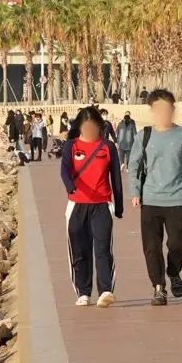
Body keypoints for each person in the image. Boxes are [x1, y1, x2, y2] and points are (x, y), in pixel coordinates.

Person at [127, 89, 182, 307]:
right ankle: (159, 288)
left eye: (168, 108)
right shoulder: (143, 136)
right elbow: (134, 165)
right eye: (159, 109)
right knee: (151, 247)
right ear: (152, 111)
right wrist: (135, 192)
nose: (164, 113)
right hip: (150, 199)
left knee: (178, 244)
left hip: (176, 200)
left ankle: (173, 272)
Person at [61, 106, 124, 308]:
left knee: (103, 248)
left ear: (99, 126)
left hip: (102, 205)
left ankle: (106, 290)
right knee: (80, 250)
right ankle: (83, 291)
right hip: (77, 205)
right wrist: (71, 188)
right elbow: (64, 171)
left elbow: (116, 177)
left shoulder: (107, 147)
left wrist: (119, 205)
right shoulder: (71, 146)